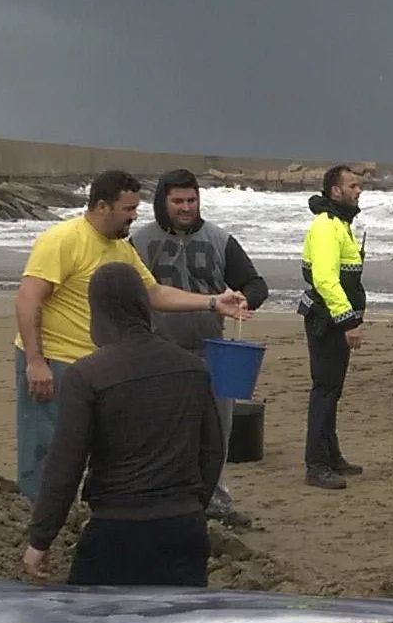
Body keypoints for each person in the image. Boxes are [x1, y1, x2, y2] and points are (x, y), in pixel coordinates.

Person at [16, 169, 249, 501]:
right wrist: (35, 361)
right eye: (127, 209)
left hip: (97, 366)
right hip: (54, 362)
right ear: (102, 207)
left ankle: (78, 518)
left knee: (95, 448)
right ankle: (36, 519)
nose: (134, 216)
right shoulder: (63, 240)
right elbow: (28, 298)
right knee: (48, 450)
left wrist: (213, 302)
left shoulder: (120, 249)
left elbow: (154, 293)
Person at [21, 264, 226, 586]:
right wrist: (193, 507)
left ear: (98, 312)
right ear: (143, 306)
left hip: (117, 529)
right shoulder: (193, 368)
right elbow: (213, 450)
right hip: (184, 527)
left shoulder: (86, 375)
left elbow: (65, 465)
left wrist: (40, 539)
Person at [129, 168, 270, 524]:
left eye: (192, 200)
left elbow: (255, 284)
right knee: (164, 431)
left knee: (216, 433)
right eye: (178, 201)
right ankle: (166, 499)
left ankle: (217, 503)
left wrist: (244, 300)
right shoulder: (139, 242)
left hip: (213, 350)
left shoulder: (220, 239)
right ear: (162, 200)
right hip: (160, 351)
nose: (186, 207)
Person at [298, 164, 366, 488]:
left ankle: (332, 455)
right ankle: (316, 465)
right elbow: (326, 279)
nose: (359, 190)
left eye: (359, 185)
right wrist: (348, 321)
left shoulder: (340, 224)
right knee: (324, 390)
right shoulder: (327, 226)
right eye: (353, 185)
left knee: (332, 390)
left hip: (333, 320)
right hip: (327, 321)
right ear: (335, 191)